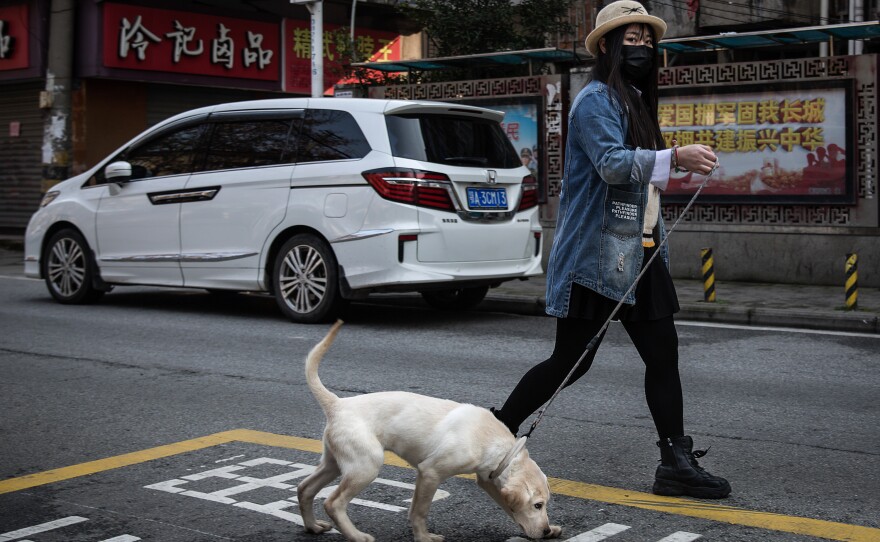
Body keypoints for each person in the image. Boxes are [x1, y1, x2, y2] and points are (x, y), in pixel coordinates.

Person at [491, 0, 731, 499]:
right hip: (597, 256)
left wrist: (676, 161)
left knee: (663, 356)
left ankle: (675, 461)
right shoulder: (596, 100)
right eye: (632, 40)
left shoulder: (635, 101)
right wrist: (674, 157)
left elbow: (639, 172)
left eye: (648, 41)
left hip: (639, 251)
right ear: (607, 46)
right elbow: (612, 164)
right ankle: (494, 432)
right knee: (571, 361)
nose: (641, 48)